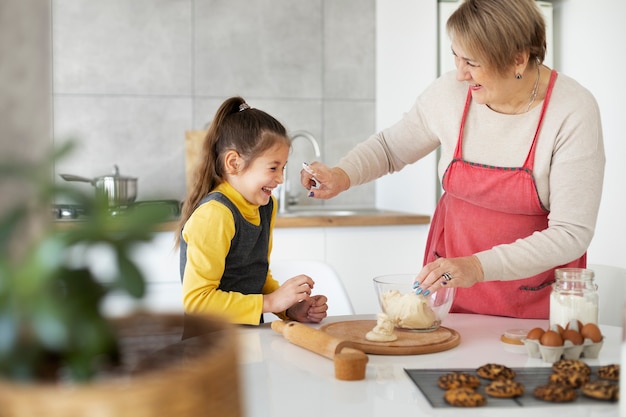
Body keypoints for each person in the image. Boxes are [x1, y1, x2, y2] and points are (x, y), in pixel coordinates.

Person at [299, 0, 604, 319]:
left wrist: (477, 266)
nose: (460, 74)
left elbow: (571, 234)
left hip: (539, 304)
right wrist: (342, 174)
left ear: (518, 59)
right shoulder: (451, 93)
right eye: (456, 56)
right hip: (451, 293)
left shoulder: (572, 110)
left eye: (471, 62)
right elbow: (391, 148)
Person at [177, 96, 328, 325]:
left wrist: (290, 308)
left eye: (283, 167)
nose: (280, 179)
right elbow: (198, 302)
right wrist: (270, 303)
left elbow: (257, 276)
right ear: (234, 163)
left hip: (250, 340)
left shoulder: (265, 207)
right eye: (273, 167)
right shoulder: (215, 215)